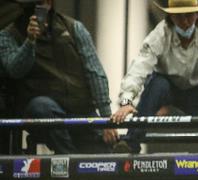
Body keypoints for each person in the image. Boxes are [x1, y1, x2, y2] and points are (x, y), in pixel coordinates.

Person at [111, 0, 198, 153]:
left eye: (189, 15)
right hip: (163, 85)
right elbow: (139, 67)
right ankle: (130, 143)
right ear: (170, 17)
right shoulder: (160, 34)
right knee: (156, 86)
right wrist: (126, 101)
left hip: (195, 90)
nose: (185, 21)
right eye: (179, 16)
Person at [0, 0, 117, 154]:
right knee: (41, 107)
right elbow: (15, 70)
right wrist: (30, 41)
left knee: (103, 157)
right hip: (44, 111)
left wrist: (106, 118)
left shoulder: (73, 28)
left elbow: (95, 73)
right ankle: (70, 160)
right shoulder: (8, 35)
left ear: (49, 3)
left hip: (80, 109)